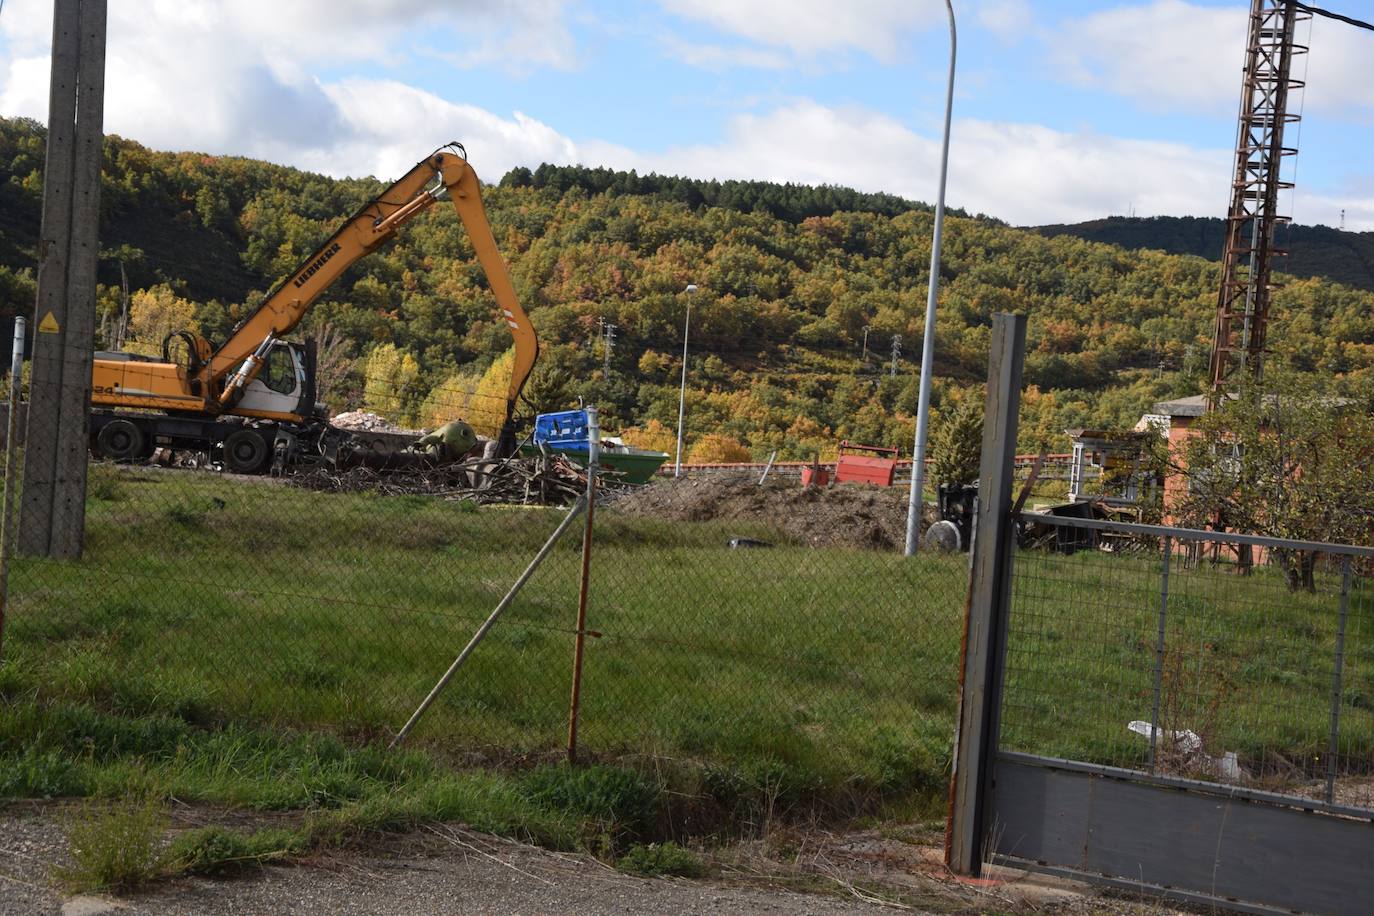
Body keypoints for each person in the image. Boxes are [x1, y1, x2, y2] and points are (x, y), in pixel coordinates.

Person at [413, 419, 478, 463]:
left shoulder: (452, 431)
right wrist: (420, 444)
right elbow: (430, 438)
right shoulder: (448, 432)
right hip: (434, 454)